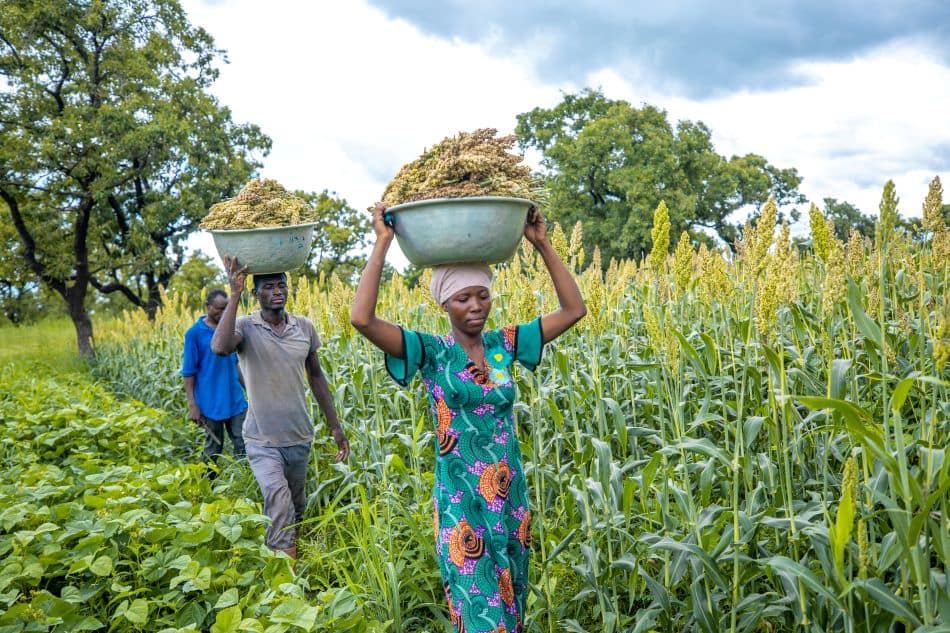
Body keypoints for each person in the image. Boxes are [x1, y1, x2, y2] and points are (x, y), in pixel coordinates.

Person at [350, 203, 586, 633]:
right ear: (445, 303)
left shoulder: (504, 346)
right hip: (462, 503)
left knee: (512, 603)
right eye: (463, 298)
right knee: (480, 610)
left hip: (509, 498)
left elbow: (573, 310)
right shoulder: (431, 352)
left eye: (483, 295)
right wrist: (382, 243)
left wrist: (542, 244)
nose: (476, 306)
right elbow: (361, 319)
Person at [211, 263, 350, 559]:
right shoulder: (245, 326)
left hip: (299, 436)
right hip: (262, 440)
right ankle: (285, 579)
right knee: (279, 505)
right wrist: (234, 294)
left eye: (281, 285)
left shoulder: (304, 327)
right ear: (255, 294)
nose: (277, 292)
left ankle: (292, 561)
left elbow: (316, 377)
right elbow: (220, 347)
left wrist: (335, 426)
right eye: (269, 287)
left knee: (296, 508)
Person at [181, 288, 248, 473]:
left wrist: (249, 390)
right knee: (213, 449)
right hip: (210, 403)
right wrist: (193, 405)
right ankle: (207, 485)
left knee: (244, 443)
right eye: (219, 309)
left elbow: (235, 363)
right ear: (208, 306)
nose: (224, 313)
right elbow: (188, 372)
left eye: (227, 309)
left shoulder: (229, 330)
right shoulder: (194, 334)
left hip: (235, 399)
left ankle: (243, 480)